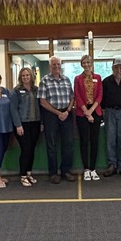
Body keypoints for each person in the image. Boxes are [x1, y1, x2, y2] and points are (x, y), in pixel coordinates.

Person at [37, 56, 76, 184]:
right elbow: (42, 101)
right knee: (51, 145)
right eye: (54, 65)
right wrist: (58, 113)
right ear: (50, 66)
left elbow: (72, 98)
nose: (56, 67)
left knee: (68, 144)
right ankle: (53, 173)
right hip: (51, 115)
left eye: (58, 64)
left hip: (66, 114)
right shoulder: (44, 80)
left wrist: (67, 111)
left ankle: (66, 171)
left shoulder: (66, 79)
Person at [10, 67, 41, 187]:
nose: (25, 77)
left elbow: (40, 106)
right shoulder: (16, 91)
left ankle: (29, 173)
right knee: (26, 149)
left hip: (35, 123)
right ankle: (23, 176)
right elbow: (13, 109)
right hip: (22, 124)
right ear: (20, 77)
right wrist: (18, 125)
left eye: (27, 75)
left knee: (31, 149)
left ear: (31, 76)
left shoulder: (36, 90)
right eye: (23, 75)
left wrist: (42, 123)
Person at [74, 54, 103, 181]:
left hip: (95, 111)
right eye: (84, 62)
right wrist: (87, 112)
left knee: (94, 141)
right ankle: (86, 169)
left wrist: (91, 112)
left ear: (92, 64)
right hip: (82, 113)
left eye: (88, 62)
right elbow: (77, 96)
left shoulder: (98, 78)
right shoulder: (77, 79)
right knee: (84, 141)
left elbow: (100, 95)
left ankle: (93, 169)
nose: (86, 65)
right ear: (81, 64)